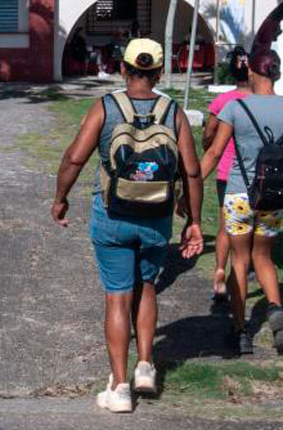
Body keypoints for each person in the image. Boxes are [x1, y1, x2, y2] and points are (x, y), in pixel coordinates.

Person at [51, 38, 204, 413]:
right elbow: (193, 170)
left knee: (118, 295)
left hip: (113, 214)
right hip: (156, 215)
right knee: (146, 285)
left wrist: (60, 197)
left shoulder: (106, 107)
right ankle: (146, 365)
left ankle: (120, 387)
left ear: (124, 68)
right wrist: (195, 220)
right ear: (160, 72)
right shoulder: (173, 111)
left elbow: (74, 157)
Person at [200, 49, 283, 355]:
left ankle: (240, 330)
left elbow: (215, 152)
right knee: (264, 258)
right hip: (274, 196)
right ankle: (274, 308)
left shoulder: (236, 107)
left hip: (239, 194)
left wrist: (191, 183)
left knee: (241, 260)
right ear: (278, 74)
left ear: (251, 73)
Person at [203, 47, 251, 300]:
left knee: (224, 227)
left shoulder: (223, 101)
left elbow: (209, 133)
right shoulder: (261, 100)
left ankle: (220, 273)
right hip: (256, 176)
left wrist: (207, 147)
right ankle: (240, 275)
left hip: (226, 173)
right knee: (247, 231)